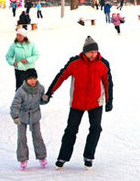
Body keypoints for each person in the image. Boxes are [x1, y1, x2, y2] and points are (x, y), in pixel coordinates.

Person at [45, 36, 113, 169]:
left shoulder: (103, 63)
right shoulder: (75, 62)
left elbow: (108, 83)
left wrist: (109, 101)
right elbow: (61, 76)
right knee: (71, 129)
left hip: (96, 102)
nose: (93, 54)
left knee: (96, 129)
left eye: (95, 52)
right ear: (85, 52)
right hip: (77, 102)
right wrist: (49, 92)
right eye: (91, 52)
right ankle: (63, 157)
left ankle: (89, 156)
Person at [10, 69, 48, 170]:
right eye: (30, 79)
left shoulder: (40, 88)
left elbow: (40, 102)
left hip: (35, 116)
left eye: (34, 78)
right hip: (22, 117)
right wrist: (15, 116)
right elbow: (15, 105)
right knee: (21, 138)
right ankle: (23, 158)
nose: (32, 81)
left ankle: (42, 156)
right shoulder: (21, 91)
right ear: (26, 79)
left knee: (37, 136)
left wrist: (45, 99)